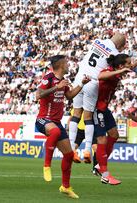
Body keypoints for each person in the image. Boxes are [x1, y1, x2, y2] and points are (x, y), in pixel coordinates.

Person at [35, 55, 90, 198]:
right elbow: (38, 95)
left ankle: (65, 186)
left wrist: (82, 84)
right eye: (66, 63)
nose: (68, 65)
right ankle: (47, 165)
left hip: (56, 122)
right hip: (43, 119)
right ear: (60, 65)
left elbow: (70, 96)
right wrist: (55, 87)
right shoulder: (49, 78)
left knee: (69, 154)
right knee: (55, 132)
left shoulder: (64, 81)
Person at [69, 32, 127, 163]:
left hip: (79, 78)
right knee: (88, 117)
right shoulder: (115, 53)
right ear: (120, 45)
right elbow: (117, 66)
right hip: (92, 81)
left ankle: (71, 148)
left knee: (76, 114)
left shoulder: (97, 41)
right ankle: (87, 150)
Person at [94, 54, 137, 185]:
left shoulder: (118, 71)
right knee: (102, 139)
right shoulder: (109, 71)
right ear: (121, 66)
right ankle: (104, 173)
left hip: (104, 108)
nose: (130, 65)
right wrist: (121, 71)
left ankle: (100, 165)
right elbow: (100, 76)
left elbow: (131, 66)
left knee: (114, 135)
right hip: (95, 108)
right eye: (128, 63)